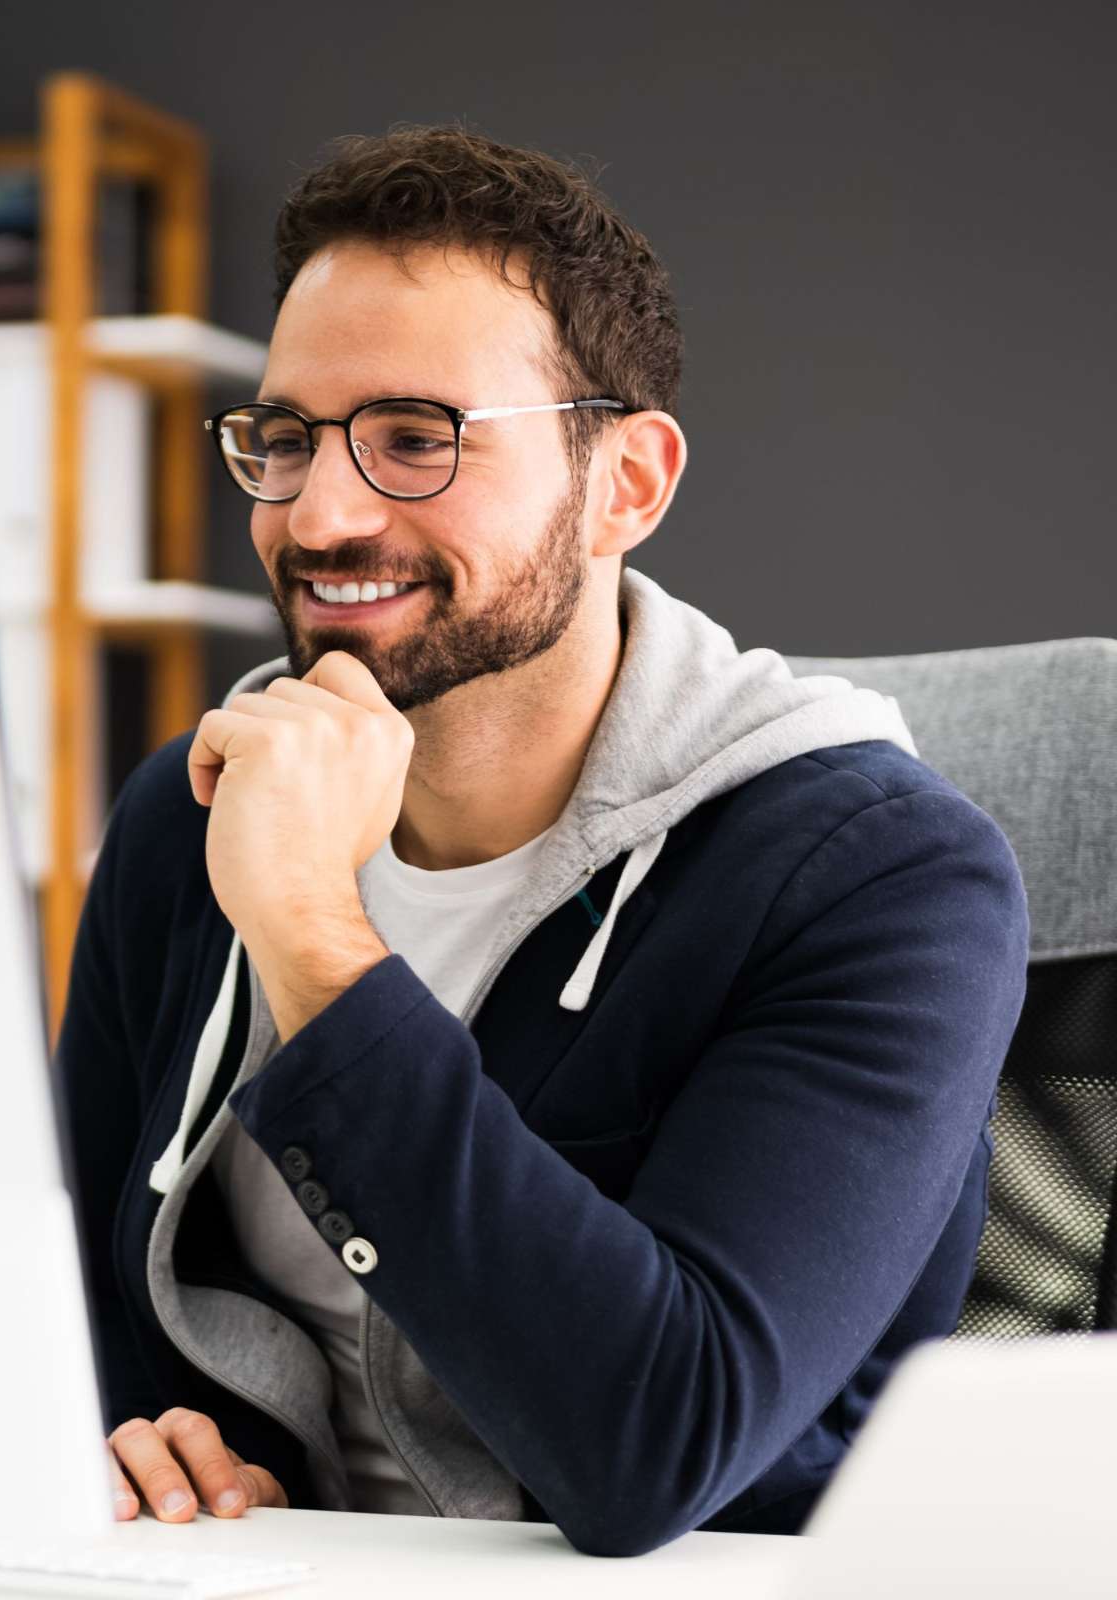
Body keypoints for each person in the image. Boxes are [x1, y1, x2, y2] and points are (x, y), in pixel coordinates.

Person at [55, 125, 1029, 1557]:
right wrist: (154, 1445)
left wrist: (317, 943)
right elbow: (94, 1300)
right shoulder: (197, 804)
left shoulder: (885, 878)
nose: (321, 515)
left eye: (415, 439)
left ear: (627, 483)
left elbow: (658, 1446)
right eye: (285, 440)